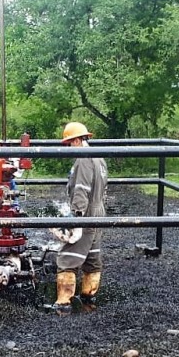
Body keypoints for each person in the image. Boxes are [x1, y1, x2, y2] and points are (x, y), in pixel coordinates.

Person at [51, 121, 108, 314]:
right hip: (98, 212)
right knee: (92, 259)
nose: (68, 148)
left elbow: (81, 189)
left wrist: (75, 218)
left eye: (69, 143)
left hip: (86, 213)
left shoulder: (83, 159)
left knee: (67, 258)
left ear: (76, 140)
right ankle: (88, 298)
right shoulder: (99, 158)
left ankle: (63, 303)